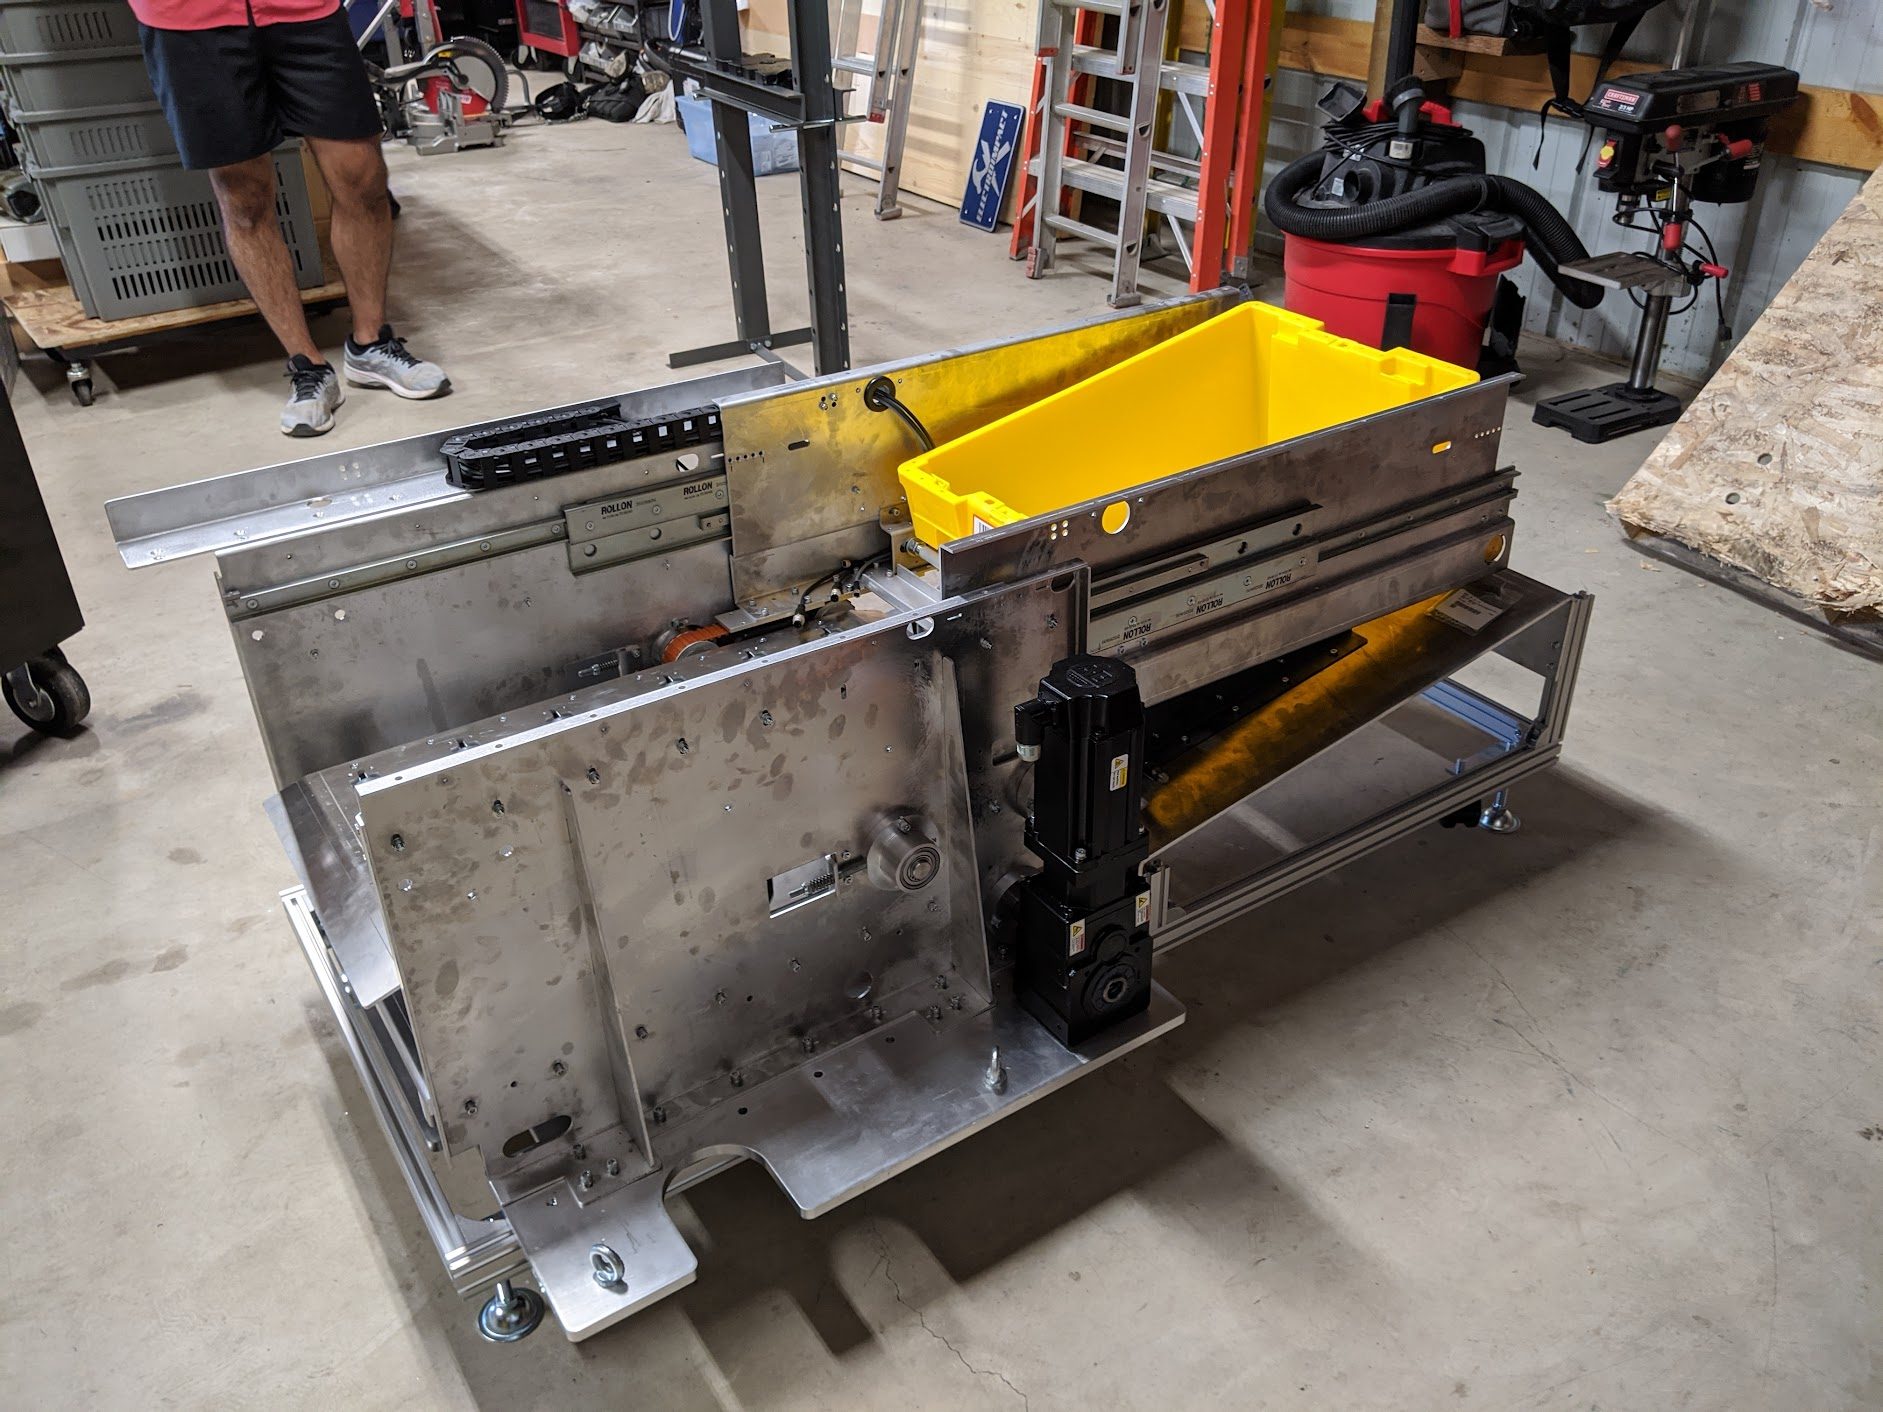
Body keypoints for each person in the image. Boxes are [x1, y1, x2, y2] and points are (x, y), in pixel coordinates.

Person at [129, 0, 451, 436]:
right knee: (244, 198)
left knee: (361, 176)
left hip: (304, 11)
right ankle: (308, 368)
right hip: (187, 20)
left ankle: (370, 343)